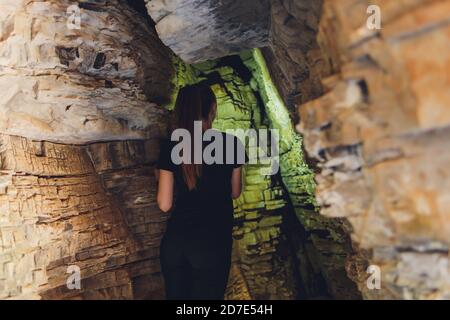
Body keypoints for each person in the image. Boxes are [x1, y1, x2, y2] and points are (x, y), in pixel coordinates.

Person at [155, 83, 247, 299]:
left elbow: (164, 204)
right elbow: (235, 192)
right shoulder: (231, 144)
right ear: (213, 108)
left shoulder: (171, 147)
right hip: (211, 243)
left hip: (175, 245)